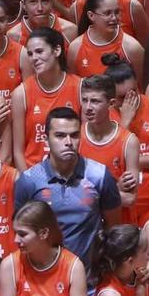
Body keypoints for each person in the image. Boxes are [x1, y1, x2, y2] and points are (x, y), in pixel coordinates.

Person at [13, 105, 121, 265]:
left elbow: (113, 227)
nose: (69, 142)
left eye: (74, 135)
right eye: (60, 136)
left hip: (90, 282)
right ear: (46, 139)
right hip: (44, 280)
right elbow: (20, 232)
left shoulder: (99, 175)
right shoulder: (29, 181)